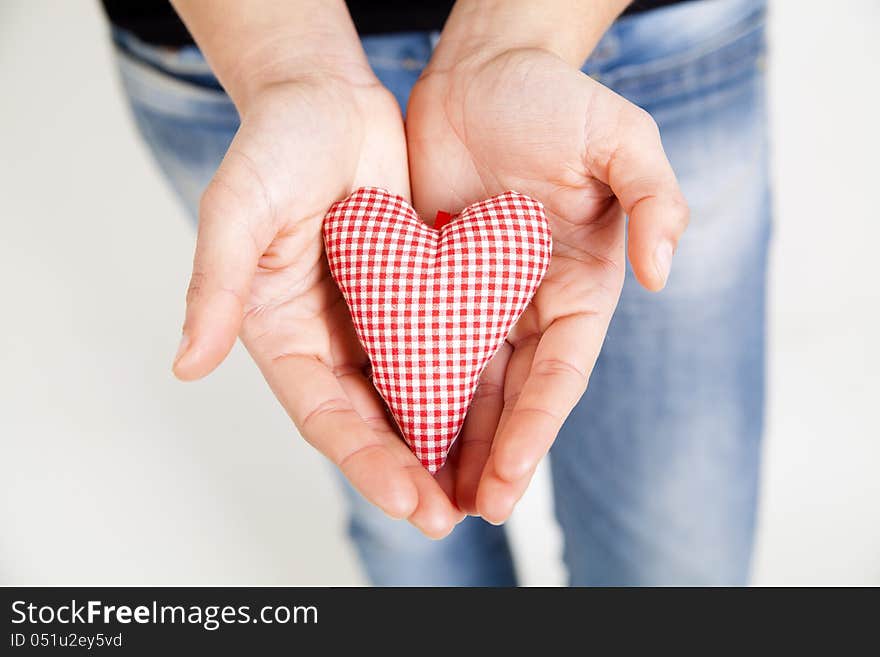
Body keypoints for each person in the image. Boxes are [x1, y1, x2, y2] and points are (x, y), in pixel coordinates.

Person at [104, 0, 770, 585]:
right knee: (408, 528)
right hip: (238, 56)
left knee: (676, 557)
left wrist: (519, 36)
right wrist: (288, 62)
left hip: (633, 38)